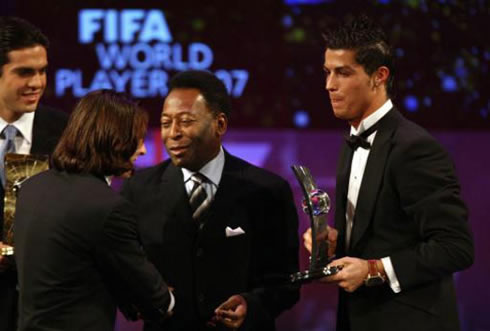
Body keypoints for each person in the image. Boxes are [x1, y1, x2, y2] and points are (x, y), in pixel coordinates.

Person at [303, 15, 474, 331]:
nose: (329, 85)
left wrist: (373, 270)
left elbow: (455, 248)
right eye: (327, 72)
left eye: (343, 73)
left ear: (379, 76)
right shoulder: (352, 139)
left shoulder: (414, 148)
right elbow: (377, 235)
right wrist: (333, 243)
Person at [121, 70, 300, 330]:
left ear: (220, 125)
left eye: (186, 121)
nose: (173, 133)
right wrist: (138, 299)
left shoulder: (268, 191)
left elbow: (286, 281)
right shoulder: (138, 189)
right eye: (166, 122)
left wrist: (252, 305)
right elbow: (123, 270)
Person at [14, 89, 173, 331]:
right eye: (138, 140)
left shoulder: (32, 187)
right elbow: (153, 296)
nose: (143, 151)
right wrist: (168, 300)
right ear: (115, 140)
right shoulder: (107, 207)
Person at [0, 16, 68, 331]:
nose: (37, 83)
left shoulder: (69, 134)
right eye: (25, 72)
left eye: (42, 71)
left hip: (47, 310)